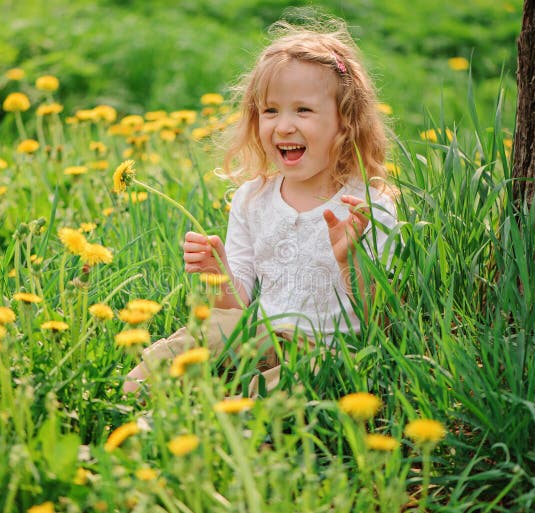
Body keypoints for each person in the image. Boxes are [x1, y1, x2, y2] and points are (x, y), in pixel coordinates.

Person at [124, 15, 398, 396]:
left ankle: (242, 412)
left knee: (297, 381)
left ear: (345, 123)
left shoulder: (368, 206)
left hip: (329, 349)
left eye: (302, 110)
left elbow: (378, 318)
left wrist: (349, 259)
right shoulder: (253, 199)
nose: (283, 126)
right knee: (212, 328)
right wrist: (218, 274)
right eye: (270, 111)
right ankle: (144, 389)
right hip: (260, 335)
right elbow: (237, 305)